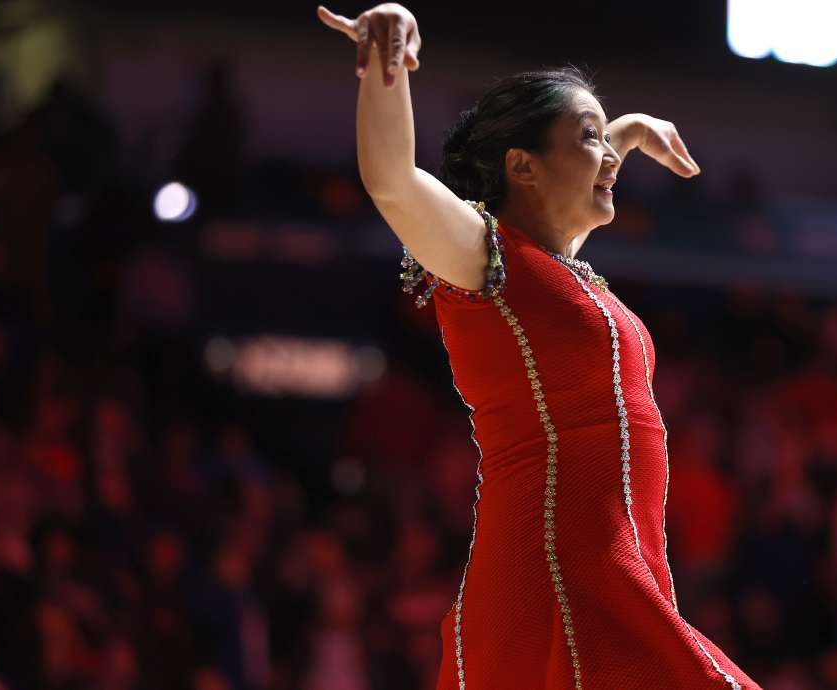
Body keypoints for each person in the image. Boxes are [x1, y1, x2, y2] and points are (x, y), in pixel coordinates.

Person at [317, 4, 760, 688]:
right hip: (559, 564)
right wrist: (387, 57)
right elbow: (391, 180)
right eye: (589, 139)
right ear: (521, 165)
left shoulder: (552, 264)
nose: (608, 157)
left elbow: (562, 202)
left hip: (620, 557)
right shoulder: (481, 256)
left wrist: (624, 133)